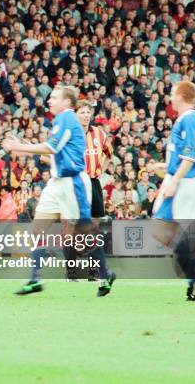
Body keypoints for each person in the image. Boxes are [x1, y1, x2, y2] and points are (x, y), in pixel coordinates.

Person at [2, 86, 103, 296]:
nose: (49, 101)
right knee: (38, 228)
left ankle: (106, 271)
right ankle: (35, 279)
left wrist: (19, 146)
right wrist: (22, 146)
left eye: (54, 97)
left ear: (66, 102)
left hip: (73, 182)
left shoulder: (67, 118)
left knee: (84, 231)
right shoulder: (60, 120)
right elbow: (52, 149)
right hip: (57, 182)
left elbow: (51, 147)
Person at [149, 81, 195, 301]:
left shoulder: (190, 119)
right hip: (177, 178)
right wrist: (164, 168)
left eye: (173, 93)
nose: (170, 97)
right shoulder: (184, 119)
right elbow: (183, 156)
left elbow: (190, 157)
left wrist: (174, 181)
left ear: (181, 96)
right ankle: (194, 270)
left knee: (179, 228)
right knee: (159, 228)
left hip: (184, 182)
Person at [75, 100, 116, 295]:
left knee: (93, 227)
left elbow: (110, 152)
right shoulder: (72, 134)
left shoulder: (98, 133)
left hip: (93, 182)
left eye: (87, 112)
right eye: (81, 112)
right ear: (75, 114)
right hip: (76, 184)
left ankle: (95, 269)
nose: (85, 115)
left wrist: (101, 166)